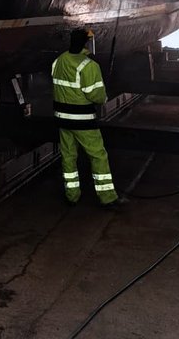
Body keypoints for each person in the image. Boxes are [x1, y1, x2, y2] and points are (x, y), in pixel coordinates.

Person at [51, 28, 124, 210]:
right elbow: (97, 97)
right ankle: (107, 197)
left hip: (62, 119)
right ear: (87, 43)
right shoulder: (89, 66)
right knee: (98, 156)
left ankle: (72, 196)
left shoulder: (59, 61)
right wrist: (105, 95)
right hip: (83, 121)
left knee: (68, 157)